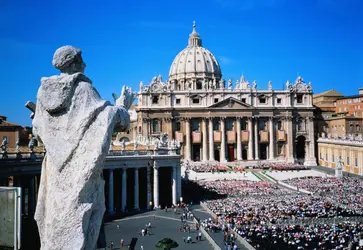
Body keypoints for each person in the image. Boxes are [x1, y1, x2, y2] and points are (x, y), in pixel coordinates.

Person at [32, 45, 133, 250]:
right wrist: (123, 105)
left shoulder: (42, 93)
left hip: (56, 168)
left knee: (55, 218)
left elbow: (36, 130)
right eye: (82, 60)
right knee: (82, 221)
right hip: (78, 171)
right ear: (74, 63)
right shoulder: (83, 89)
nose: (85, 64)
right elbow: (109, 116)